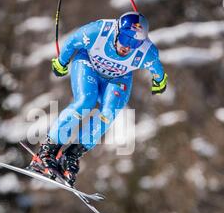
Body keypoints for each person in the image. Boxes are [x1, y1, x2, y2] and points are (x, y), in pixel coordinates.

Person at [28, 11, 168, 187]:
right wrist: (61, 62)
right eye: (125, 39)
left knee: (108, 114)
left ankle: (70, 156)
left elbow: (158, 71)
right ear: (117, 31)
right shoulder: (98, 31)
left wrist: (159, 83)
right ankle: (47, 151)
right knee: (86, 101)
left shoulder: (147, 52)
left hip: (119, 77)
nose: (128, 46)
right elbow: (73, 42)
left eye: (135, 42)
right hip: (88, 63)